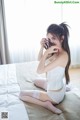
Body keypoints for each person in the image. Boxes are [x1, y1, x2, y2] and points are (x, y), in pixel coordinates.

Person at [19, 22, 71, 114]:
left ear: (62, 38)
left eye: (53, 38)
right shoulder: (56, 50)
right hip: (55, 86)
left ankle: (46, 104)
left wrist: (47, 52)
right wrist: (42, 47)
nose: (51, 41)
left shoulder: (62, 56)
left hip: (54, 95)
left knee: (22, 95)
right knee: (35, 81)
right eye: (49, 38)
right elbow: (40, 60)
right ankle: (64, 88)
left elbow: (40, 70)